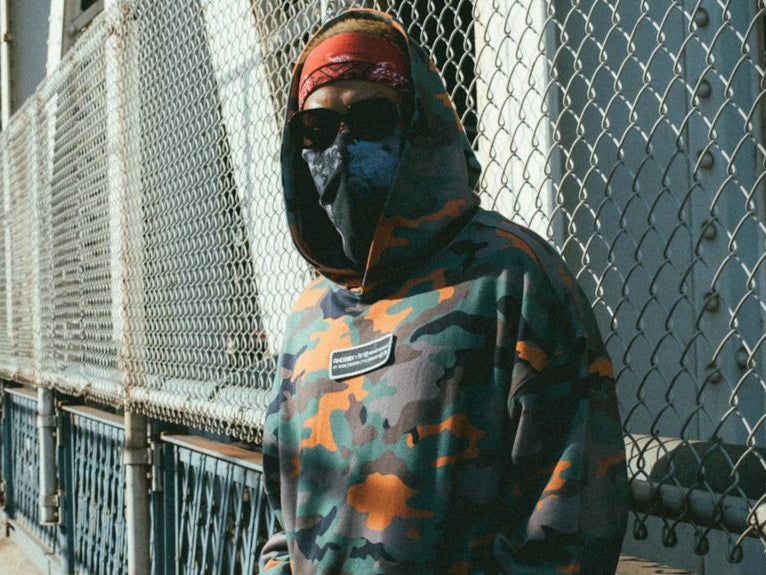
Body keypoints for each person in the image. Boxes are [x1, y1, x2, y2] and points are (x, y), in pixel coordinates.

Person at [259, 8, 628, 574]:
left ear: (420, 124)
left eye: (372, 117)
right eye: (317, 127)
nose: (342, 146)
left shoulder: (511, 279)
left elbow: (570, 531)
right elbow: (284, 527)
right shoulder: (308, 316)